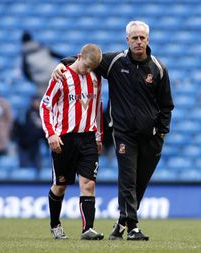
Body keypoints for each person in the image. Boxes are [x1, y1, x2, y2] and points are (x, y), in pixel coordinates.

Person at [52, 20, 174, 241]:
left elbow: (167, 105)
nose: (138, 42)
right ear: (127, 40)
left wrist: (162, 131)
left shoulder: (158, 69)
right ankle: (134, 228)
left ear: (148, 40)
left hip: (151, 136)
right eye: (134, 38)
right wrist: (62, 63)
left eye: (142, 38)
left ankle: (120, 225)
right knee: (127, 178)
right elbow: (87, 59)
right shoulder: (115, 62)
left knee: (140, 183)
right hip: (124, 133)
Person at [40, 44, 104, 240]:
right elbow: (45, 106)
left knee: (88, 183)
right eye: (85, 66)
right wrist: (51, 134)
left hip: (88, 137)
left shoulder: (95, 78)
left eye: (91, 68)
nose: (87, 71)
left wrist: (99, 134)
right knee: (60, 186)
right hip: (64, 139)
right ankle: (55, 225)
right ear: (78, 57)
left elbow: (97, 106)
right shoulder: (61, 77)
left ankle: (88, 229)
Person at [21, 31, 64, 97]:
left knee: (47, 99)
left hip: (40, 80)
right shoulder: (40, 46)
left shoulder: (25, 53)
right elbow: (55, 54)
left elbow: (25, 71)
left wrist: (32, 80)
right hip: (53, 73)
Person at [13, 95, 45, 170]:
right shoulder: (25, 113)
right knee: (24, 167)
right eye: (36, 101)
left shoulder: (42, 114)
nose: (37, 103)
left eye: (38, 101)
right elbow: (18, 127)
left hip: (36, 143)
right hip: (24, 144)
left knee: (38, 167)